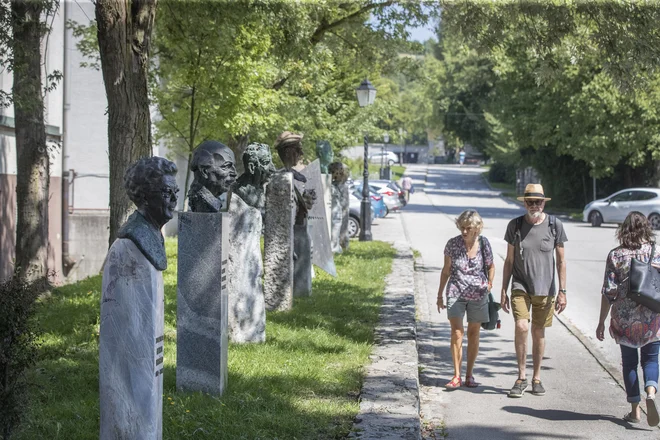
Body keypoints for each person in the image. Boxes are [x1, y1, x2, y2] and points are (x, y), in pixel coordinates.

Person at [501, 183, 568, 397]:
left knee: (538, 331)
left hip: (545, 288)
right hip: (520, 284)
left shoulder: (555, 225)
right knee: (521, 326)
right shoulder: (515, 225)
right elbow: (509, 260)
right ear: (524, 203)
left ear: (543, 202)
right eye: (530, 201)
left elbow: (561, 261)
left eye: (538, 201)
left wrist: (563, 291)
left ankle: (536, 378)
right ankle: (521, 377)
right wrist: (503, 288)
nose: (534, 205)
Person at [597, 211, 660, 426]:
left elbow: (609, 291)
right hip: (652, 317)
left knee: (630, 364)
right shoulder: (656, 251)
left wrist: (601, 322)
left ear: (623, 229)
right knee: (651, 360)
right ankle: (651, 392)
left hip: (624, 320)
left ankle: (635, 410)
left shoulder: (616, 255)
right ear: (645, 228)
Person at [436, 210, 495, 388]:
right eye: (462, 227)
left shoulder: (484, 244)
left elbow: (491, 266)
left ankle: (469, 375)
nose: (464, 231)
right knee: (456, 332)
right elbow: (446, 270)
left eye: (468, 228)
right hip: (456, 291)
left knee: (473, 333)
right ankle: (456, 376)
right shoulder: (453, 244)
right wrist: (439, 295)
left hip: (478, 294)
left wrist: (490, 284)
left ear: (477, 228)